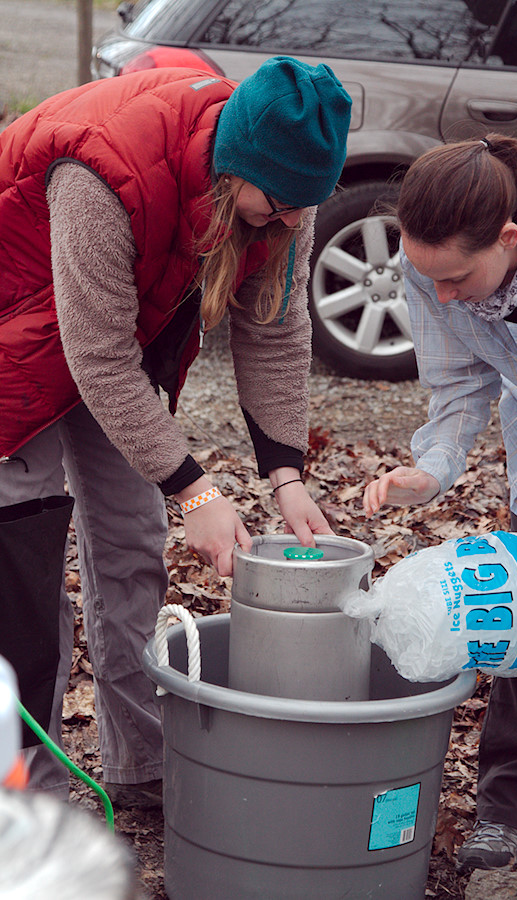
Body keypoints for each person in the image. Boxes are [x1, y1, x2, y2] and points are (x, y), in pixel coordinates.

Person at [0, 56, 351, 806]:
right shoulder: (101, 168)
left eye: (306, 205)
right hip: (12, 341)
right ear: (234, 167)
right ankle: (24, 793)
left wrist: (285, 473)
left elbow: (277, 328)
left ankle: (141, 768)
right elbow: (93, 357)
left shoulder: (289, 187)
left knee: (131, 547)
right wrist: (196, 493)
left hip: (108, 342)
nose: (293, 219)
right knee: (24, 576)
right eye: (282, 203)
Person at [363, 133, 517, 871]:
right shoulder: (432, 258)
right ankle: (506, 808)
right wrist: (430, 471)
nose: (440, 296)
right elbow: (461, 380)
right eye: (427, 275)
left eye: (457, 278)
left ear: (509, 238)